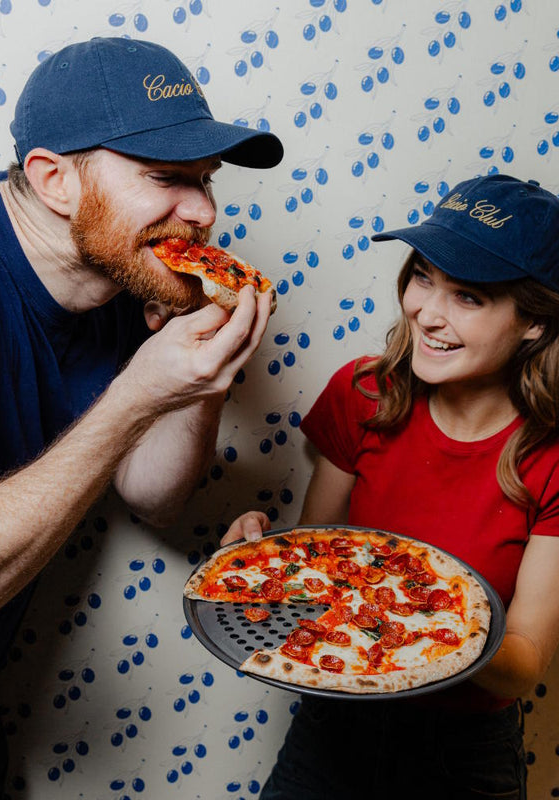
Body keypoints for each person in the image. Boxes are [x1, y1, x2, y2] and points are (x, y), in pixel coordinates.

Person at [0, 36, 283, 797]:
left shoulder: (117, 267)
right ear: (53, 180)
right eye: (168, 178)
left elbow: (157, 496)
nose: (204, 212)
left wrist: (196, 371)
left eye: (206, 181)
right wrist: (139, 392)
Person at [223, 174, 559, 800]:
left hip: (463, 756)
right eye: (423, 276)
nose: (427, 313)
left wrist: (416, 610)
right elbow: (318, 569)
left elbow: (523, 664)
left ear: (535, 323)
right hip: (336, 723)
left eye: (470, 298)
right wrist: (260, 563)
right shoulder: (363, 393)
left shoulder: (552, 457)